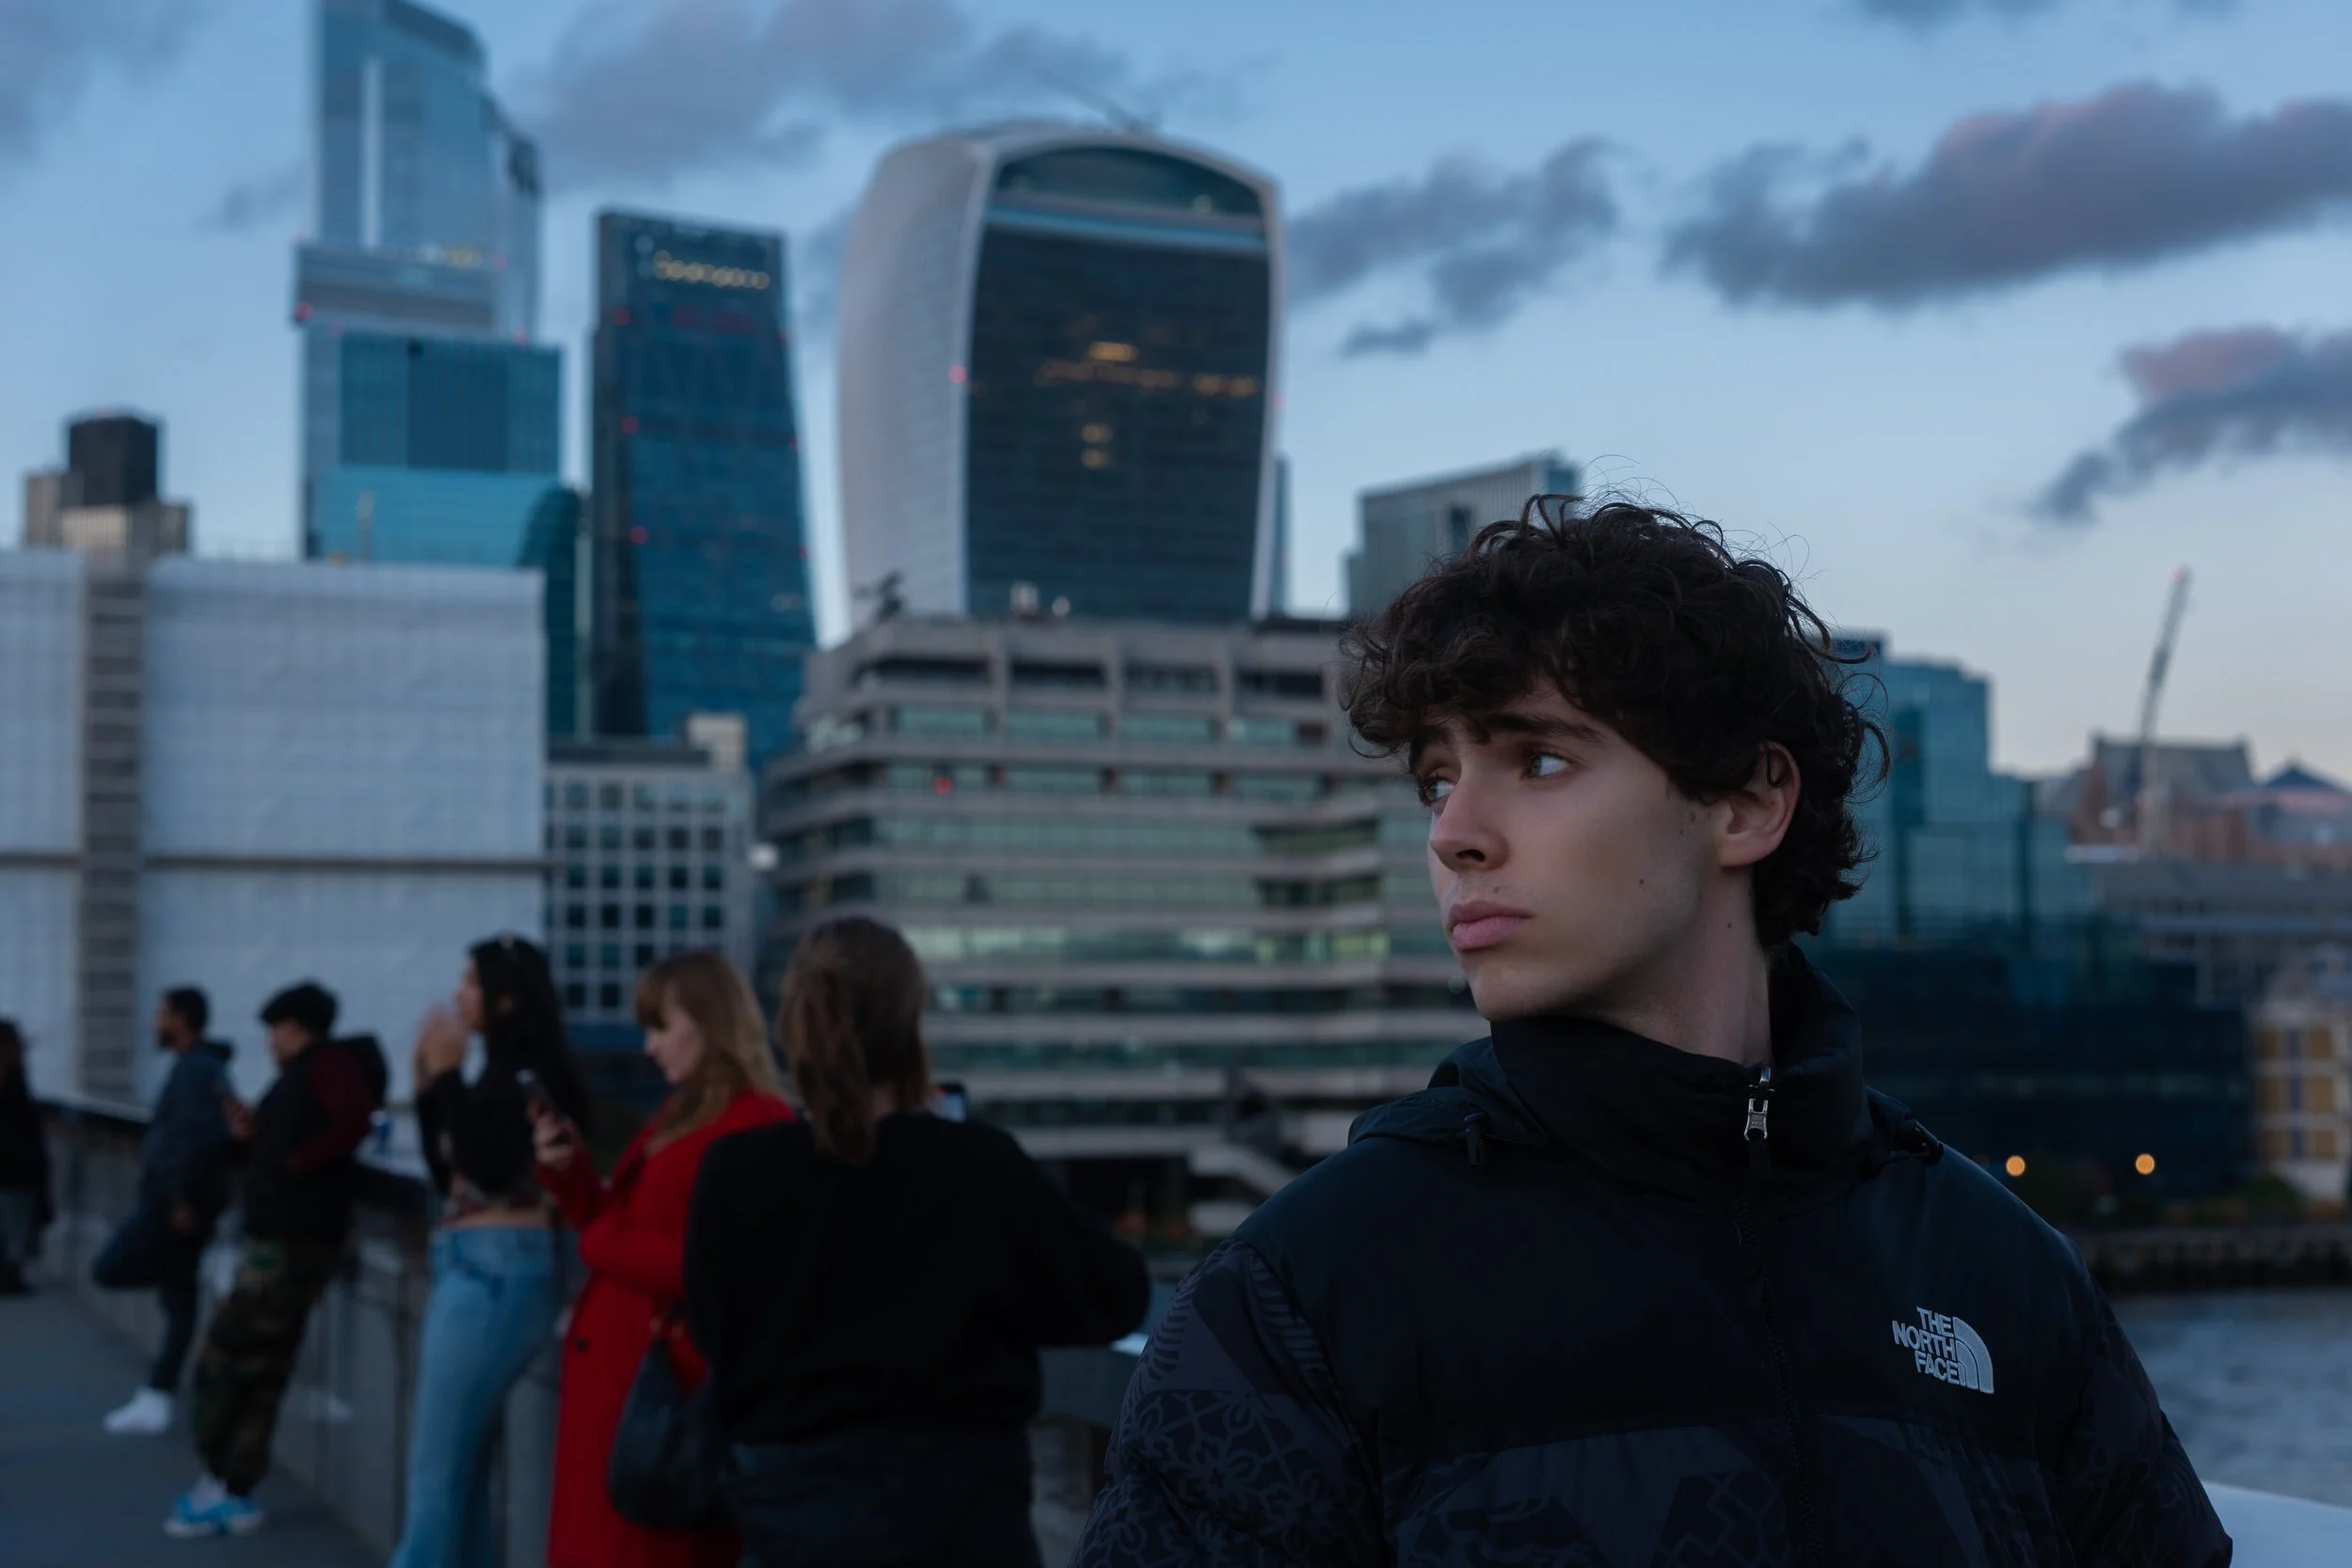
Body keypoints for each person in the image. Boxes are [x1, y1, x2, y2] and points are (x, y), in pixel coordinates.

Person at [1072, 500, 2233, 1566]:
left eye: (1535, 758)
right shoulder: (1308, 1293)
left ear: (1746, 801)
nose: (1455, 834)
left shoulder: (1998, 1268)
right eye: (1435, 779)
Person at [687, 916, 1151, 1568]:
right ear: (910, 1025)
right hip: (960, 1511)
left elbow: (714, 1330)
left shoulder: (735, 1170)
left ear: (793, 1020)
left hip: (789, 1509)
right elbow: (1117, 1295)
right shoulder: (975, 1164)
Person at [534, 950, 792, 1568]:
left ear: (708, 1021)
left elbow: (733, 1268)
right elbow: (627, 1223)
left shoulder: (758, 1121)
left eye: (660, 1026)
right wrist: (569, 1178)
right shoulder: (684, 1109)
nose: (649, 1046)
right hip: (629, 1382)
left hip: (665, 1393)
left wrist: (602, 1242)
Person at [388, 935, 591, 1568]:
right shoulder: (501, 1071)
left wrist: (448, 1075)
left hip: (499, 1269)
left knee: (436, 1474)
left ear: (506, 997)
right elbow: (450, 1171)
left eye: (472, 983)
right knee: (461, 1471)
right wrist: (430, 1091)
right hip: (479, 1263)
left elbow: (493, 1167)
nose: (458, 994)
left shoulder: (533, 1072)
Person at [169, 981, 378, 1539]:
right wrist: (254, 1138)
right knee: (263, 1369)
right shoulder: (302, 1077)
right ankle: (231, 1488)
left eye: (276, 1029)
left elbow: (353, 1119)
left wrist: (295, 1161)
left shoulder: (327, 1066)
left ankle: (220, 1474)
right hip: (288, 1237)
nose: (269, 1041)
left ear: (298, 1028)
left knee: (224, 1357)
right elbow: (306, 1135)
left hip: (290, 1243)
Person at [93, 987, 237, 1435]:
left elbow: (196, 1140)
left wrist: (178, 1199)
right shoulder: (198, 1067)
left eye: (161, 1014)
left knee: (110, 1269)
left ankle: (158, 1395)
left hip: (173, 1206)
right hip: (181, 1203)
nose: (155, 1022)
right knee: (179, 1303)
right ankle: (157, 1396)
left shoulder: (196, 1070)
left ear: (181, 1019)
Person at [0, 1020, 51, 1298]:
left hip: (9, 1168)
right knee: (16, 1227)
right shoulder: (15, 1081)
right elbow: (27, 1130)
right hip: (18, 1169)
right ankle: (11, 1277)